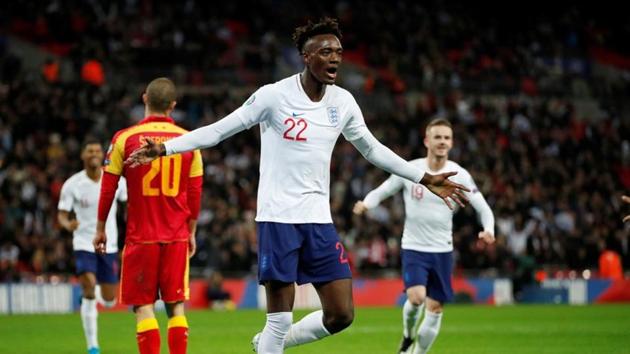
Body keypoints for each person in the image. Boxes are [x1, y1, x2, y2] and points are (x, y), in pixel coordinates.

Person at [125, 18, 469, 354]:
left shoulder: (343, 102)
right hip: (278, 218)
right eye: (325, 51)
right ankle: (273, 340)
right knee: (279, 318)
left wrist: (423, 176)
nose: (334, 57)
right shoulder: (273, 96)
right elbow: (219, 129)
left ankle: (272, 345)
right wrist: (166, 147)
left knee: (341, 314)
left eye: (338, 51)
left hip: (318, 220)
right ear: (306, 57)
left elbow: (372, 149)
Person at [353, 118, 495, 354]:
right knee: (417, 297)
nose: (442, 142)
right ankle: (408, 335)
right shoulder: (413, 169)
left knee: (435, 307)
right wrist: (367, 203)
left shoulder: (459, 174)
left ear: (451, 143)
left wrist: (488, 229)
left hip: (442, 250)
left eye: (446, 138)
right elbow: (385, 189)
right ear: (427, 141)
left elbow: (483, 208)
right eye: (437, 137)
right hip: (414, 246)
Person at [93, 78, 203, 354]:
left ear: (145, 99)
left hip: (141, 238)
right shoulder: (190, 141)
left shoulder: (124, 139)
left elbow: (108, 188)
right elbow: (194, 194)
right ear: (173, 106)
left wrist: (100, 228)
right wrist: (191, 232)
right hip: (176, 236)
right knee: (176, 306)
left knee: (143, 307)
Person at [57, 139, 127, 354]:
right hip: (83, 242)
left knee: (108, 300)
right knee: (88, 283)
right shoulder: (72, 184)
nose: (94, 153)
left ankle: (93, 295)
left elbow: (129, 205)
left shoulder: (118, 181)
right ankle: (93, 347)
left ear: (103, 155)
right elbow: (62, 215)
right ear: (83, 155)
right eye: (90, 151)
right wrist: (69, 224)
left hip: (109, 244)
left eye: (97, 150)